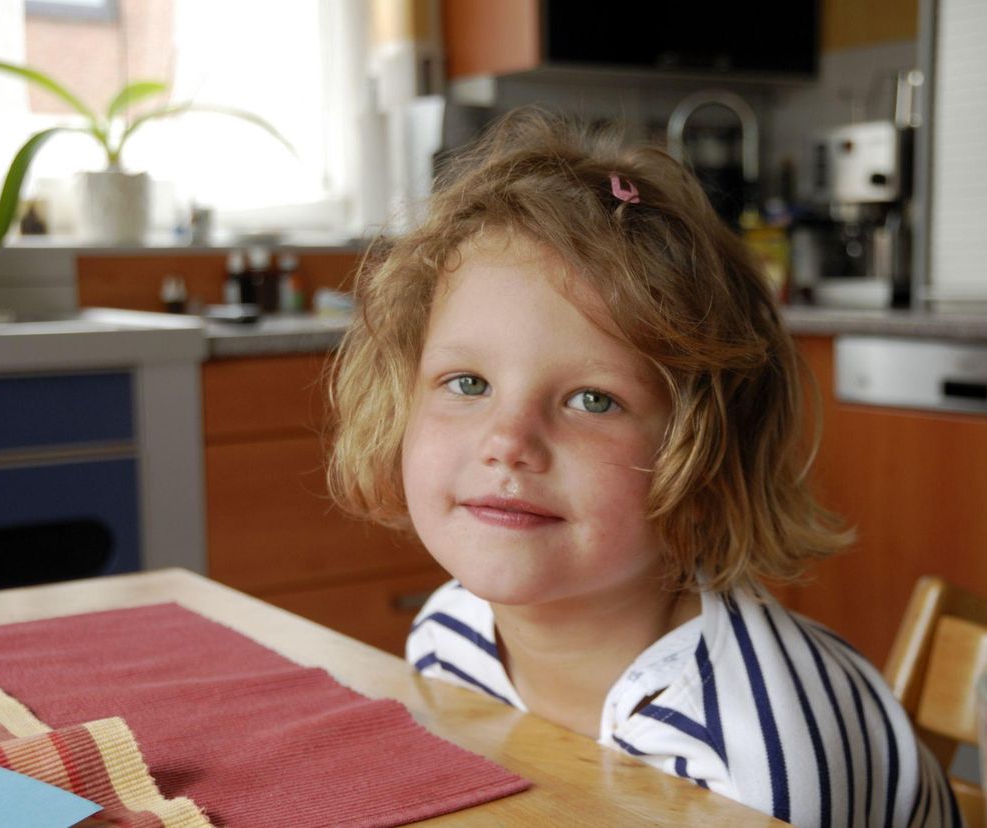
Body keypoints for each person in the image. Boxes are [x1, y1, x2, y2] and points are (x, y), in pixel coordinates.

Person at [327, 106, 957, 826]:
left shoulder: (747, 757)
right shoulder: (449, 638)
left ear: (704, 448)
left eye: (592, 399)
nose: (508, 440)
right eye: (468, 383)